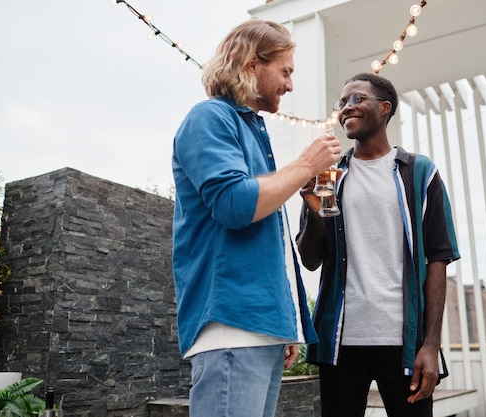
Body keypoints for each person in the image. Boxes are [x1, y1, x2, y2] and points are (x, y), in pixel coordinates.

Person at [171, 19, 341, 417]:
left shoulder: (252, 132)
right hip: (231, 327)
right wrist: (304, 165)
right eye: (285, 71)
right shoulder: (210, 117)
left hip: (260, 330)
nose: (290, 85)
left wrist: (286, 324)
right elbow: (234, 205)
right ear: (252, 64)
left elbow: (269, 242)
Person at [296, 72, 460, 417]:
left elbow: (438, 260)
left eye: (357, 99)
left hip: (403, 342)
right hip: (340, 342)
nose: (346, 108)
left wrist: (431, 344)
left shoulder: (419, 173)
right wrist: (312, 209)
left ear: (385, 108)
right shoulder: (330, 176)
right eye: (342, 103)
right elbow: (311, 259)